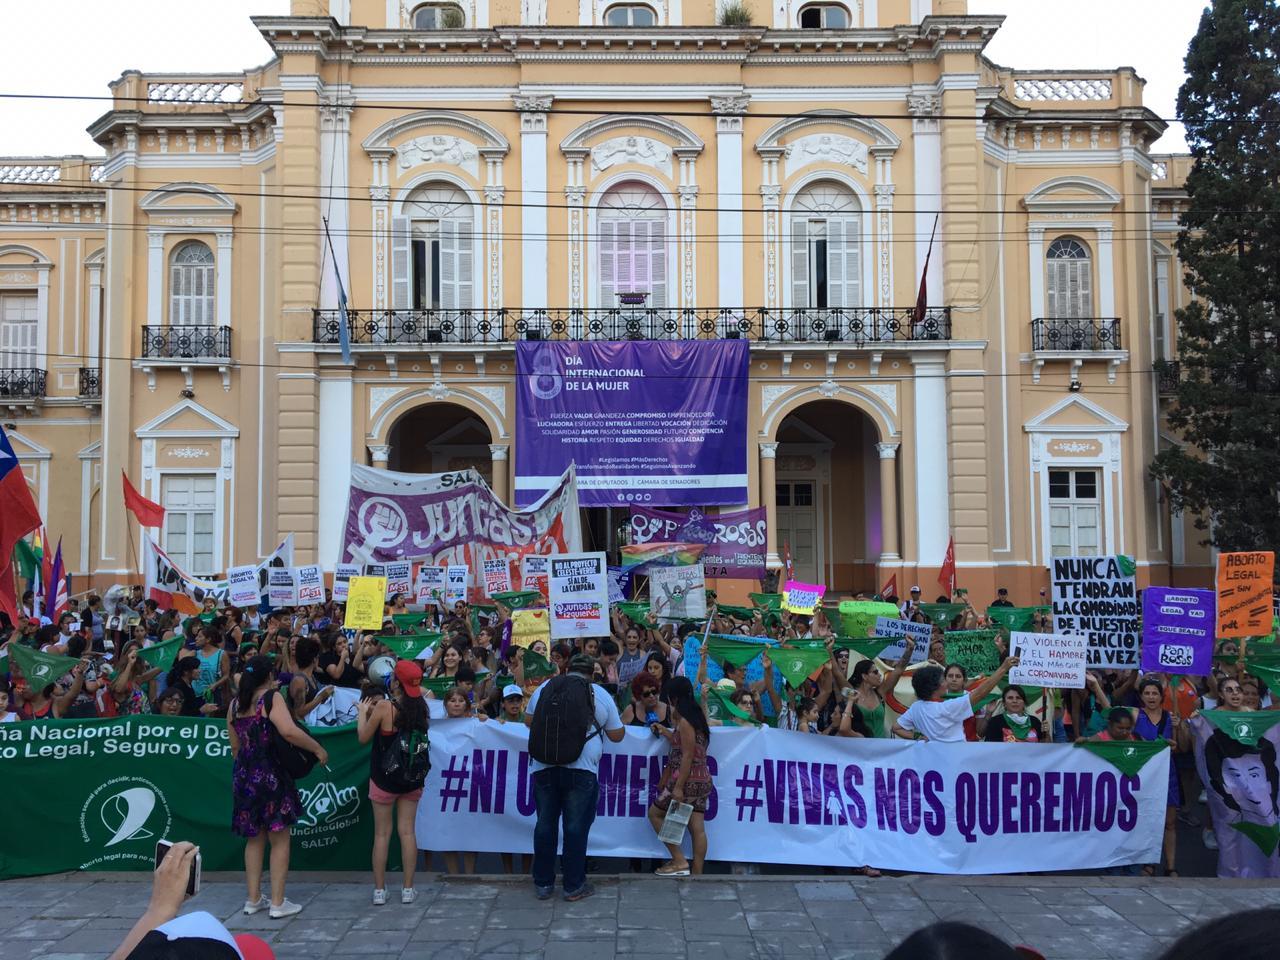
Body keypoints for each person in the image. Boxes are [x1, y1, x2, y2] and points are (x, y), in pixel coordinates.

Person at [227, 655, 328, 920]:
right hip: (271, 774)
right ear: (268, 676)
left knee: (254, 839)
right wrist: (317, 748)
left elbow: (234, 746)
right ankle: (277, 902)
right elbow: (289, 731)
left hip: (244, 776)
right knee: (280, 838)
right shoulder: (271, 698)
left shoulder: (235, 704)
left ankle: (252, 899)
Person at [525, 653, 624, 901]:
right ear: (593, 673)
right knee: (576, 828)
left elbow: (528, 720)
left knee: (545, 824)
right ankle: (573, 885)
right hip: (582, 769)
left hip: (544, 765)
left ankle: (544, 884)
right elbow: (617, 735)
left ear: (567, 669)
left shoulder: (546, 688)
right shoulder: (599, 694)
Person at [357, 659, 428, 905]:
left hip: (383, 778)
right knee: (407, 832)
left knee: (382, 834)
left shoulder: (385, 707)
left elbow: (363, 738)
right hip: (411, 779)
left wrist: (361, 714)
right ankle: (408, 889)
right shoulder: (421, 707)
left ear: (395, 681)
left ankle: (379, 890)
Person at [646, 676, 711, 876]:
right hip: (702, 777)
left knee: (655, 814)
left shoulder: (684, 720)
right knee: (696, 827)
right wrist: (666, 732)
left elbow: (687, 754)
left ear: (674, 698)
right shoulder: (697, 716)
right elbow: (687, 744)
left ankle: (679, 860)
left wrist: (679, 786)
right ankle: (698, 873)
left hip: (686, 778)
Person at [1133, 677, 1189, 877]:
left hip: (1167, 774)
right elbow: (1112, 713)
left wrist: (1180, 725)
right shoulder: (1135, 715)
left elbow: (1182, 747)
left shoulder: (1170, 717)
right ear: (1141, 696)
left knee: (1170, 822)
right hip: (1143, 775)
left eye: (1154, 693)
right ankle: (1148, 863)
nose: (1151, 697)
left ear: (1161, 696)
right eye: (1147, 693)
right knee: (1146, 820)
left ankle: (1171, 866)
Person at [891, 656, 1018, 743]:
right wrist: (1003, 668)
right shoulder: (947, 708)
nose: (948, 682)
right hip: (956, 762)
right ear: (937, 686)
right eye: (944, 679)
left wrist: (918, 736)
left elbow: (896, 727)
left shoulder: (916, 707)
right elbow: (980, 693)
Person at [981, 685, 1046, 743]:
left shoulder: (1034, 721)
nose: (1014, 701)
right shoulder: (996, 722)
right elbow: (991, 749)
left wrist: (1047, 733)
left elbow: (1045, 750)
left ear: (1024, 702)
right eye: (1010, 698)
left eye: (1018, 698)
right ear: (1004, 703)